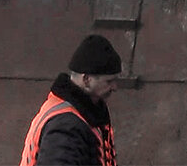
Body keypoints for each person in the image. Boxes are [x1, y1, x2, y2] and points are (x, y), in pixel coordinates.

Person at [21, 34, 122, 166]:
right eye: (109, 81)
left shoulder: (85, 112)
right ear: (86, 80)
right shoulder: (66, 126)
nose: (114, 87)